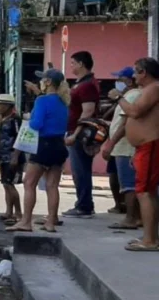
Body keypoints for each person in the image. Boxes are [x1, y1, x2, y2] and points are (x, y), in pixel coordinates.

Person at [6, 69, 70, 234]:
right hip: (59, 145)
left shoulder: (42, 101)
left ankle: (26, 221)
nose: (40, 82)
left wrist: (28, 118)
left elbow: (36, 124)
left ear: (48, 82)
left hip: (43, 145)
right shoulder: (63, 102)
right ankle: (51, 221)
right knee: (52, 186)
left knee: (29, 183)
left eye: (43, 80)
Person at [111, 58, 159, 252]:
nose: (133, 76)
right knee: (146, 192)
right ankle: (150, 236)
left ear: (144, 72)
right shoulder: (147, 90)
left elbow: (135, 112)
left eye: (136, 71)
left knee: (144, 192)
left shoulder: (154, 88)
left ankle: (150, 240)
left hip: (150, 145)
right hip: (143, 147)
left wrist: (118, 97)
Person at [102, 67, 142, 231]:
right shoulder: (126, 97)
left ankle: (130, 218)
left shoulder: (132, 96)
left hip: (125, 147)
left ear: (128, 81)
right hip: (122, 147)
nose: (117, 82)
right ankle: (136, 217)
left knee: (128, 185)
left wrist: (111, 143)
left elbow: (125, 124)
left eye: (120, 79)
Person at [64, 51, 100, 218]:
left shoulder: (87, 86)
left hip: (81, 135)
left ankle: (84, 206)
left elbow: (88, 112)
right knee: (78, 171)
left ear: (81, 64)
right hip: (74, 132)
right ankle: (83, 203)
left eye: (73, 63)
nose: (71, 66)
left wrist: (75, 134)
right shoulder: (80, 84)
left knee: (81, 171)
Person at [0, 94, 24, 225]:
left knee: (10, 184)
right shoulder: (2, 119)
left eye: (2, 104)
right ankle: (8, 212)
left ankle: (18, 213)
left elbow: (20, 138)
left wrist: (16, 156)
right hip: (3, 156)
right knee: (6, 185)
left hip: (12, 156)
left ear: (8, 106)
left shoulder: (15, 120)